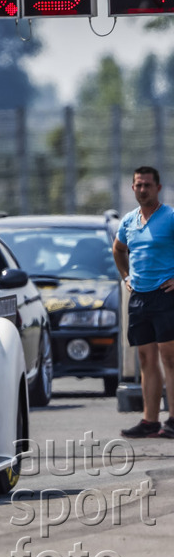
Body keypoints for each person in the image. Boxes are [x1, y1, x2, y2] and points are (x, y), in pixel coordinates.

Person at [113, 166, 174, 438]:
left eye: (147, 185)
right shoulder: (129, 220)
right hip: (139, 296)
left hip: (166, 295)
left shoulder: (170, 217)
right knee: (145, 358)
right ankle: (150, 421)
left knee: (169, 358)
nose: (142, 189)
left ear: (157, 188)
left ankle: (173, 420)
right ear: (133, 188)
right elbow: (118, 249)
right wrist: (126, 276)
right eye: (138, 185)